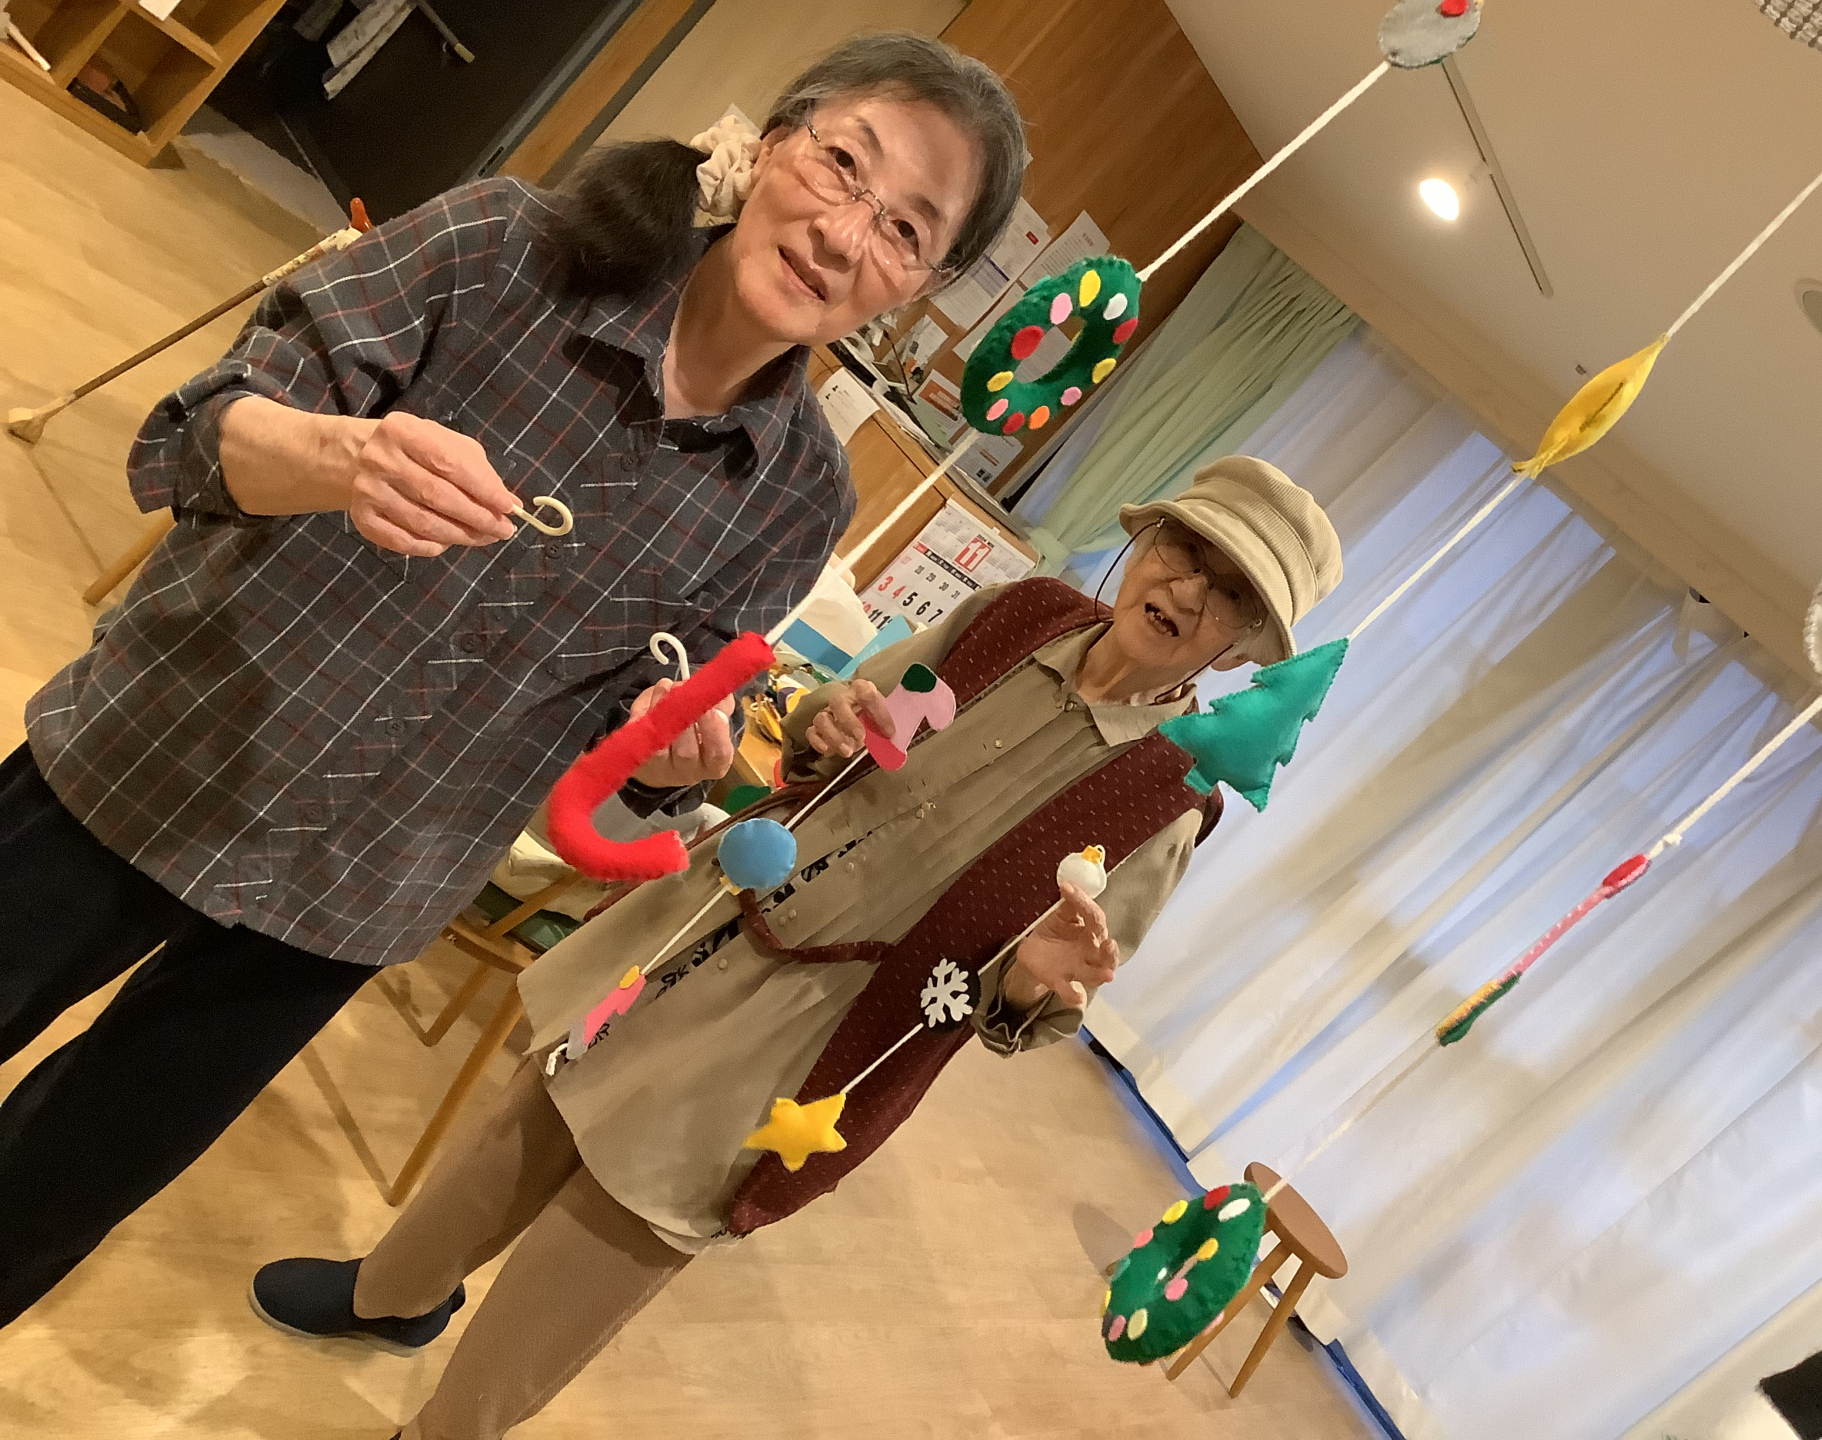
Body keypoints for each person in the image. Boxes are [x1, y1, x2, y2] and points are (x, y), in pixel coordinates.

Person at [0, 33, 1027, 1328]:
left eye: (905, 230)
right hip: (166, 748)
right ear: (774, 142)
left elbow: (621, 740)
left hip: (355, 894)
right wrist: (339, 457)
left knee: (55, 1194)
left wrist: (662, 757)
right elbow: (197, 433)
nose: (844, 232)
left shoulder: (796, 497)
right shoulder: (508, 247)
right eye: (842, 165)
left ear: (922, 285)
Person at [251, 456, 1344, 1439]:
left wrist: (1028, 986)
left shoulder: (1168, 796)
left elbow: (1043, 1001)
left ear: (1245, 649)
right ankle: (391, 1296)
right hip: (720, 914)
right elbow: (852, 710)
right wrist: (830, 718)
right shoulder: (1018, 613)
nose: (1188, 589)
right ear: (1145, 541)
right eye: (1185, 550)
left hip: (822, 1033)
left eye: (1230, 594)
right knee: (539, 1104)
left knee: (628, 1222)